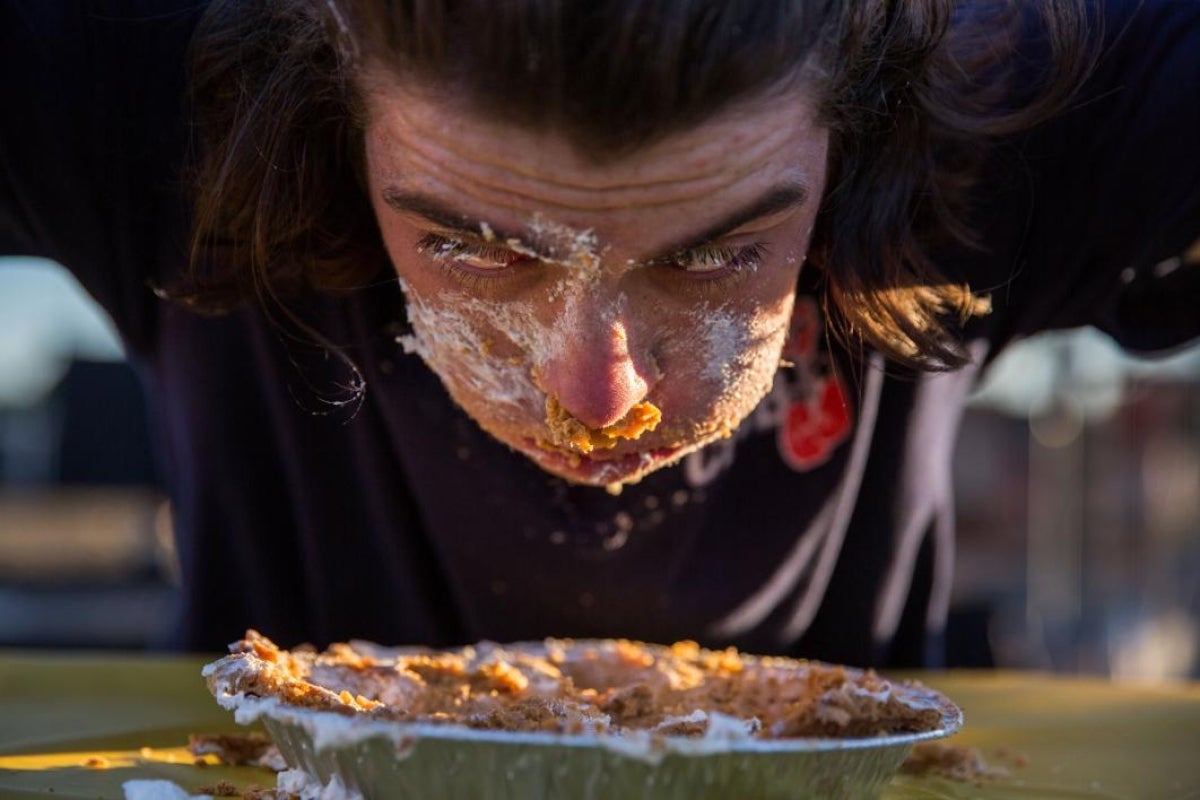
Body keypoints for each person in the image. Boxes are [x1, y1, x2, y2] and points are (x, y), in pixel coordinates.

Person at [2, 0, 1197, 667]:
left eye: (721, 251)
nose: (592, 385)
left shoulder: (1003, 102)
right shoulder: (162, 106)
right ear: (316, 98)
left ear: (873, 132)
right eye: (470, 246)